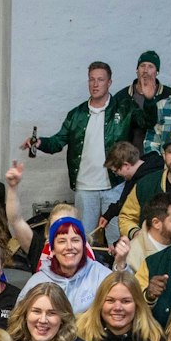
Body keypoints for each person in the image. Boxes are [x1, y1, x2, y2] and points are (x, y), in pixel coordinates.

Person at [30, 61, 141, 226]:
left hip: (115, 184)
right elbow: (57, 142)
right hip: (85, 187)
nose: (95, 84)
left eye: (100, 80)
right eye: (91, 79)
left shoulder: (124, 109)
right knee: (85, 238)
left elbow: (146, 122)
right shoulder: (76, 114)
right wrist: (39, 143)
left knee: (116, 239)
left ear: (109, 82)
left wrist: (149, 99)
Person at [22, 215, 113, 314]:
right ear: (53, 249)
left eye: (75, 240)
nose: (69, 247)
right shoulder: (37, 282)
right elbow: (19, 320)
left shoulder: (102, 276)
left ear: (83, 245)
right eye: (62, 241)